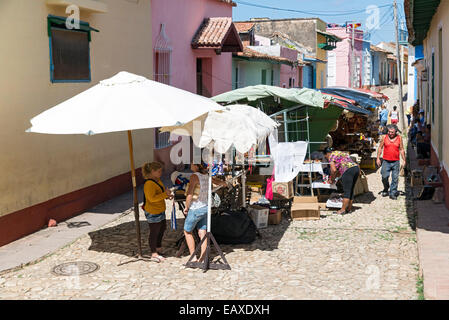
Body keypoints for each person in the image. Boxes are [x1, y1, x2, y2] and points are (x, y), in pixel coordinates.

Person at [183, 163, 227, 262]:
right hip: (205, 207)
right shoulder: (207, 175)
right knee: (202, 232)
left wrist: (186, 207)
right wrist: (224, 183)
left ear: (196, 166)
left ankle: (193, 256)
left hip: (196, 208)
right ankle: (203, 257)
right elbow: (219, 182)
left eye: (192, 163)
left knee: (187, 231)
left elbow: (190, 194)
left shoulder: (194, 176)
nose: (190, 164)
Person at [142, 161, 173, 262]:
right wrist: (165, 194)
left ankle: (158, 248)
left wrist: (167, 195)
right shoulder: (149, 184)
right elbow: (152, 198)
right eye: (159, 171)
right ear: (152, 171)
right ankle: (154, 253)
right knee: (154, 231)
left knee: (162, 228)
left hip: (160, 209)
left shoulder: (157, 180)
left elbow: (161, 192)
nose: (161, 173)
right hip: (153, 211)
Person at [323, 147, 360, 215]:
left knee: (347, 191)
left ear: (327, 154)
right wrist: (336, 176)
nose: (326, 158)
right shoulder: (339, 153)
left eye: (325, 157)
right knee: (351, 190)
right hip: (355, 168)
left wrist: (331, 179)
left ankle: (342, 210)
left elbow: (333, 170)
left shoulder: (331, 157)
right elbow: (339, 169)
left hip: (347, 170)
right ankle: (349, 208)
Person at [376, 125, 406, 200]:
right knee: (384, 176)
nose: (390, 133)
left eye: (392, 132)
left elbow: (401, 149)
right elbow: (380, 147)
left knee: (395, 178)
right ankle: (386, 188)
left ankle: (393, 193)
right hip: (386, 161)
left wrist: (404, 160)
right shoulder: (384, 137)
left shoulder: (399, 138)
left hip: (396, 161)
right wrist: (378, 158)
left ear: (395, 132)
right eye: (389, 132)